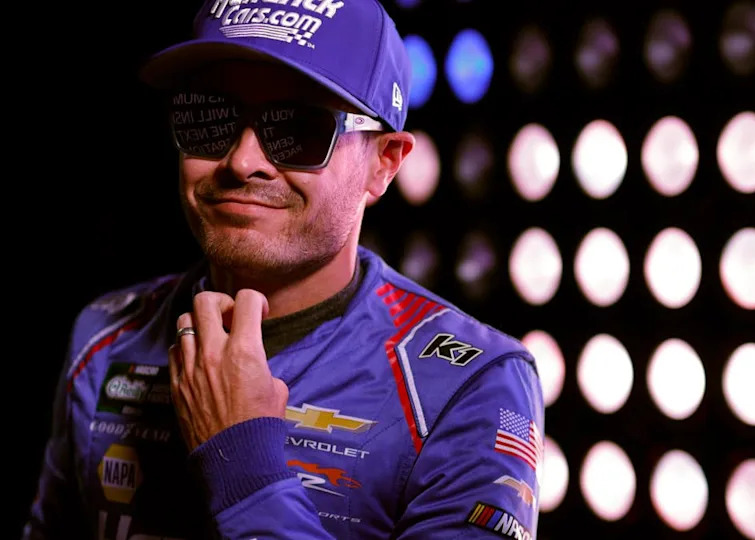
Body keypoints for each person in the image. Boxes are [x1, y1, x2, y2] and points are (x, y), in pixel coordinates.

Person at [24, 0, 545, 538]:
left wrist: (243, 459)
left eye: (296, 128)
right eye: (210, 117)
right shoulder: (106, 336)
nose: (242, 160)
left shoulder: (469, 383)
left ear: (383, 163)